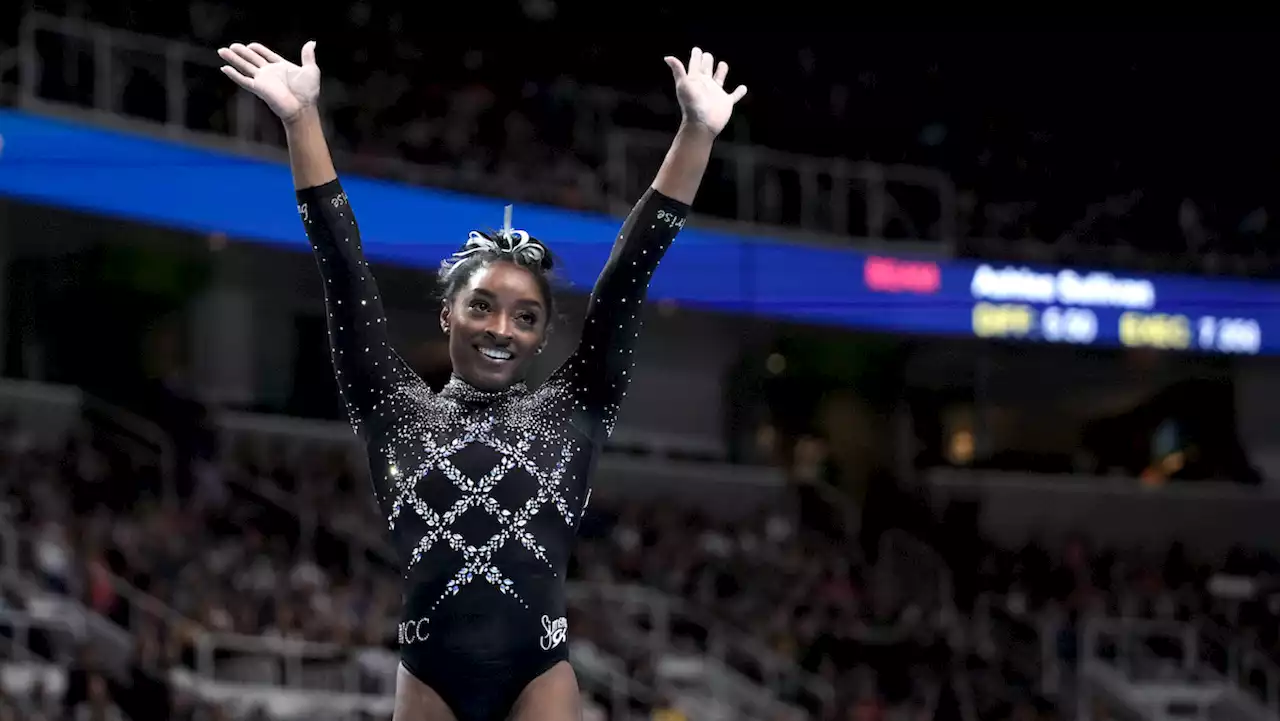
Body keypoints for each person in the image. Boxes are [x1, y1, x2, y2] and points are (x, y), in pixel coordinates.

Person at [216, 38, 746, 721]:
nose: (502, 328)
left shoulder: (574, 409)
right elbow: (342, 268)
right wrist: (302, 121)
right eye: (483, 306)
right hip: (430, 676)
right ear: (448, 314)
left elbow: (628, 274)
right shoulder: (393, 409)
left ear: (542, 335)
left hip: (539, 673)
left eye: (525, 316)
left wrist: (696, 134)